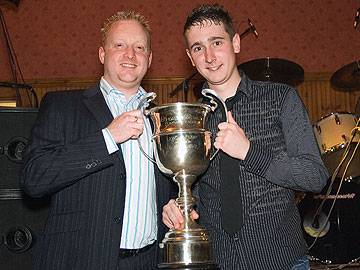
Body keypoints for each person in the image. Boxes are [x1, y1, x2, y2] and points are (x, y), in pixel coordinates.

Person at [162, 4, 329, 270]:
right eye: (197, 48)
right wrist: (178, 205)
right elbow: (193, 190)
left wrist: (250, 153)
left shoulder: (281, 98)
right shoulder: (193, 118)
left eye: (217, 42)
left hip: (281, 261)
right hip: (216, 262)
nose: (209, 56)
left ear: (236, 43)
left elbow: (315, 176)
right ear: (190, 57)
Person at [21, 10, 175, 270]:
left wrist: (174, 204)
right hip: (80, 260)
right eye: (120, 45)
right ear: (102, 54)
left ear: (149, 58)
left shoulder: (161, 118)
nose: (130, 54)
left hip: (149, 261)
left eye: (139, 47)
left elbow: (167, 189)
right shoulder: (62, 107)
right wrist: (108, 137)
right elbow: (34, 179)